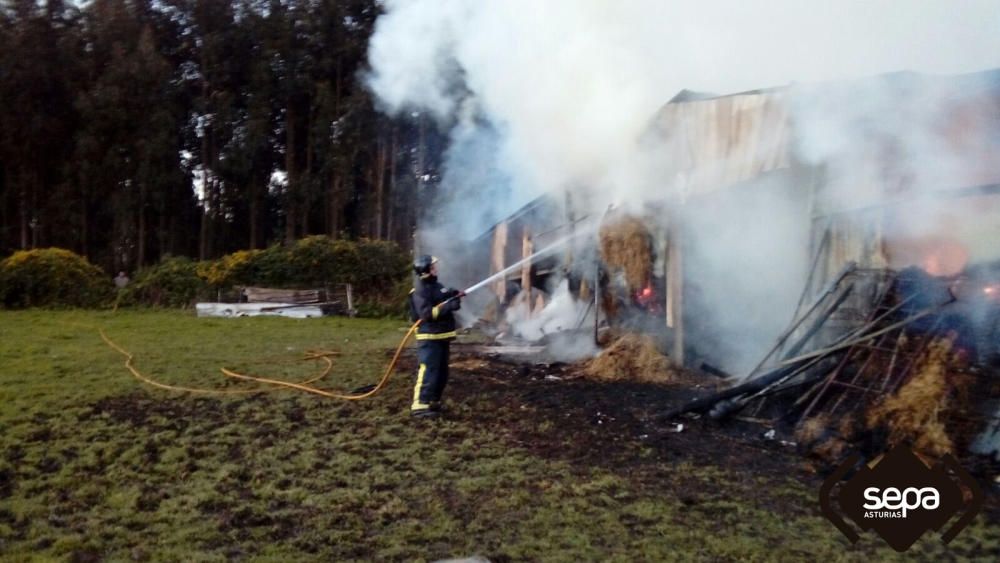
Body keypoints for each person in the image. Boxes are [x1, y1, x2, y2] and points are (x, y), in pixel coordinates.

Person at [408, 255, 463, 418]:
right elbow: (426, 313)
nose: (436, 269)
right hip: (429, 337)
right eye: (432, 267)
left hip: (442, 336)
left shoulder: (436, 286)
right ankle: (419, 405)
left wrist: (453, 295)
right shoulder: (419, 290)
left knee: (441, 372)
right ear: (425, 271)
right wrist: (448, 306)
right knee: (428, 370)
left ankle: (433, 401)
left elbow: (443, 297)